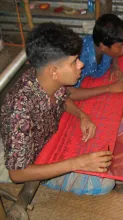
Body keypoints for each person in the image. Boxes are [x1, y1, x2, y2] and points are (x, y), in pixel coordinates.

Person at [0, 23, 114, 195]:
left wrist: (82, 115)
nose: (81, 65)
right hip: (12, 161)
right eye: (74, 61)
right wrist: (78, 163)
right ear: (53, 71)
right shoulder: (20, 111)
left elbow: (63, 98)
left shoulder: (45, 79)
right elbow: (17, 173)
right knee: (105, 181)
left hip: (38, 142)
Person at [67, 13, 123, 101]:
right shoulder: (80, 58)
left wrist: (115, 65)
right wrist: (109, 88)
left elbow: (113, 52)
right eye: (121, 45)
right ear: (103, 46)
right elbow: (69, 93)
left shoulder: (104, 45)